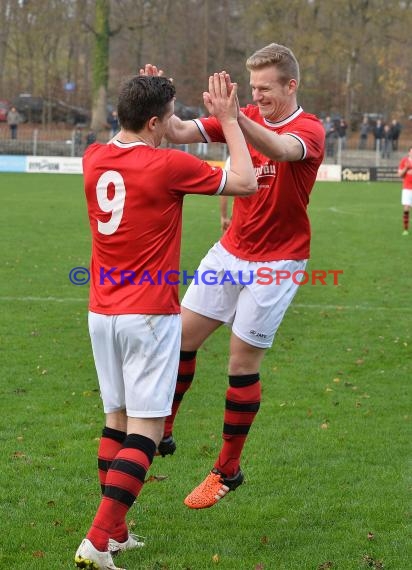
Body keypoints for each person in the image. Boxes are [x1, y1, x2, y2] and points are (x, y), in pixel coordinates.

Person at [74, 74, 257, 569]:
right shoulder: (167, 165)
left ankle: (114, 533)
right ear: (155, 122)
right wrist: (228, 121)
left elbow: (142, 128)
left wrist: (148, 92)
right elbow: (245, 181)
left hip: (101, 312)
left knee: (115, 422)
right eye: (168, 116)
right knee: (147, 431)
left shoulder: (93, 157)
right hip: (148, 315)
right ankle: (95, 539)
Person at [143, 42, 325, 509]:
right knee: (178, 338)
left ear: (291, 85)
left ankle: (227, 468)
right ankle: (164, 427)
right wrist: (157, 99)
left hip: (278, 262)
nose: (258, 96)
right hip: (231, 252)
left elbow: (282, 150)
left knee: (240, 364)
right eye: (254, 88)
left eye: (267, 88)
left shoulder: (308, 129)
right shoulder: (241, 115)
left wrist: (235, 120)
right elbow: (179, 131)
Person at [398, 146, 412, 236]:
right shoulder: (404, 161)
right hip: (407, 188)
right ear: (409, 152)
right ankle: (406, 229)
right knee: (406, 208)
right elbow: (400, 175)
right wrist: (406, 168)